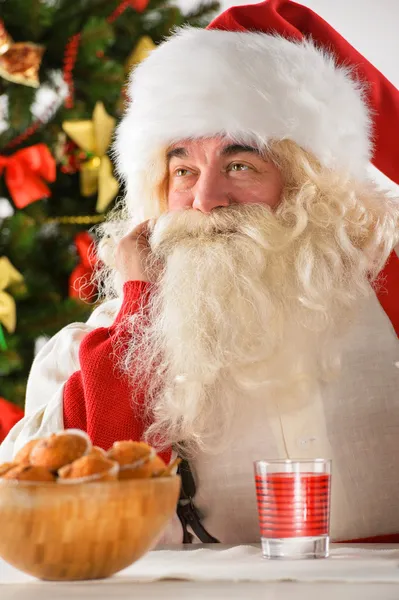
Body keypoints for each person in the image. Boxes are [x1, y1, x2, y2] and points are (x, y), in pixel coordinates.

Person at [1, 0, 399, 545]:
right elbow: (54, 506)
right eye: (183, 169)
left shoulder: (389, 285)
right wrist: (139, 318)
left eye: (240, 166)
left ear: (308, 183)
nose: (206, 199)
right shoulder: (101, 341)